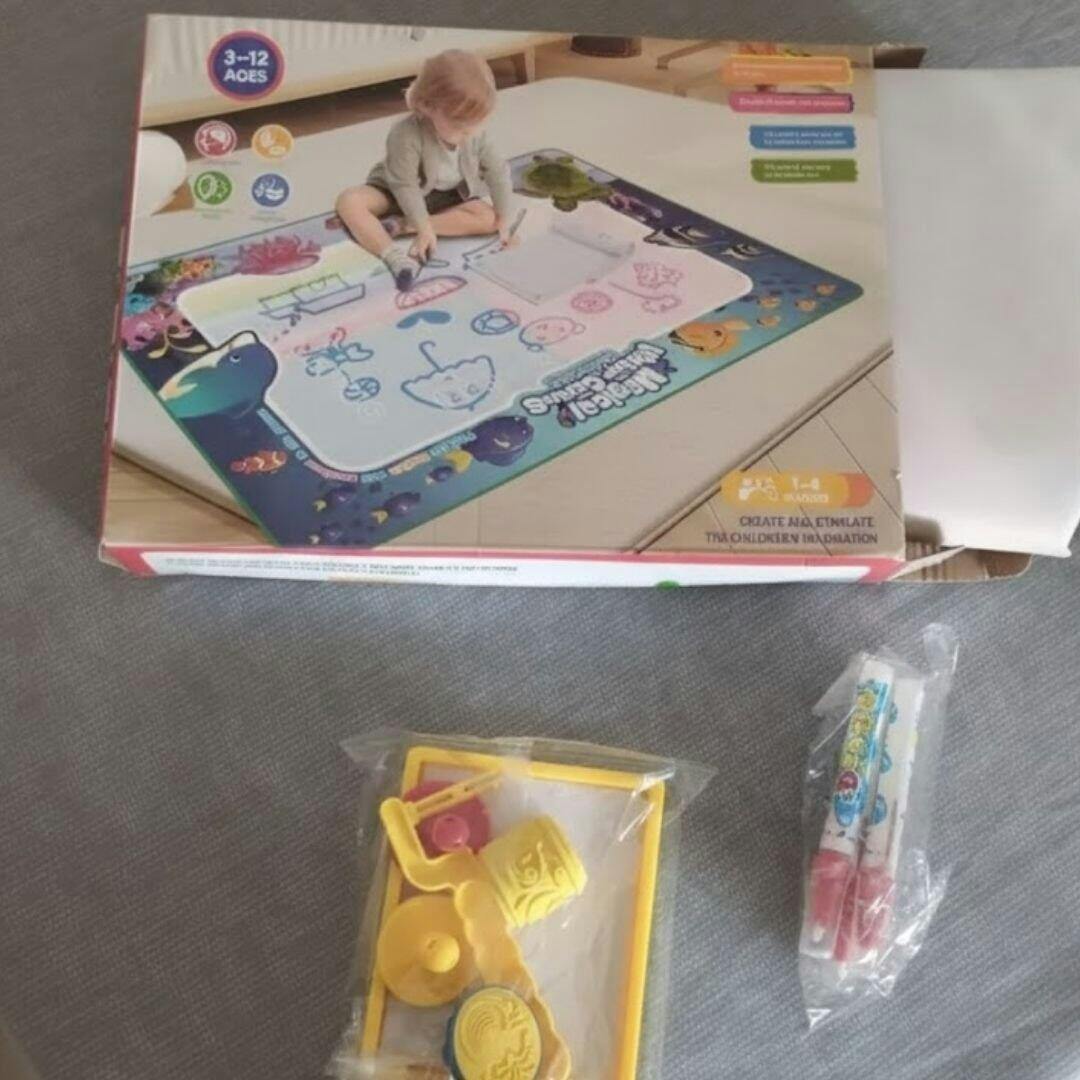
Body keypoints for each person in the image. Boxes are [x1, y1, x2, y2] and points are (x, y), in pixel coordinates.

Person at [335, 49, 515, 291]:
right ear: (428, 106)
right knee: (349, 201)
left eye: (474, 125)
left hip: (446, 198)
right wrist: (423, 227)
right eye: (459, 127)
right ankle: (393, 255)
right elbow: (404, 185)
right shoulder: (405, 133)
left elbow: (498, 172)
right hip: (396, 192)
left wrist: (504, 218)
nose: (468, 133)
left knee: (489, 218)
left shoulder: (474, 133)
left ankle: (402, 225)